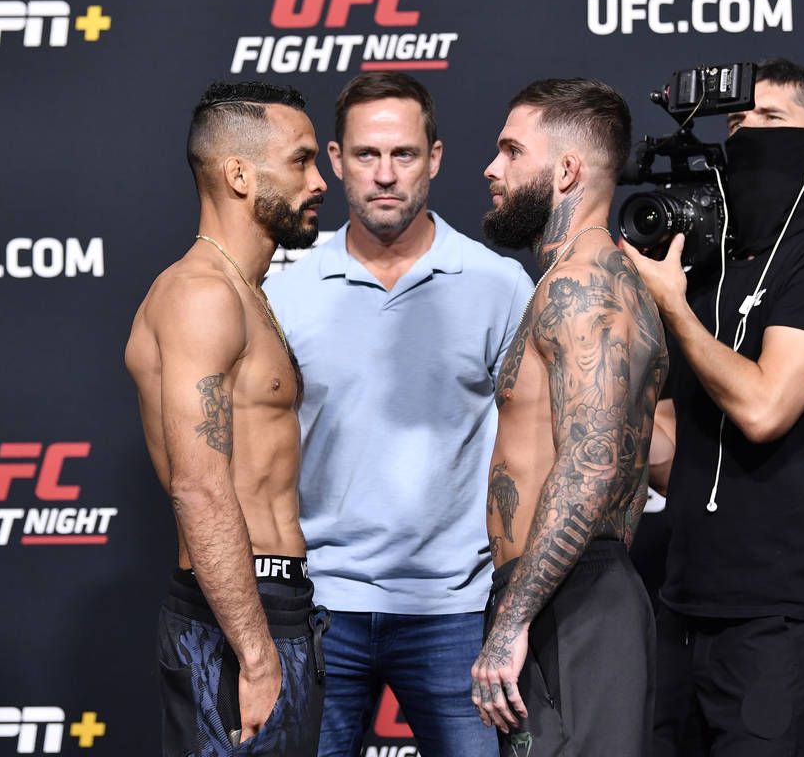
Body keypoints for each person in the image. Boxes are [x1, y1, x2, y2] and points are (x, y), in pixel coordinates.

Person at [263, 71, 533, 757]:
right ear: (335, 160)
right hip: (321, 605)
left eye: (404, 154)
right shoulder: (286, 294)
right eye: (366, 155)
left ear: (435, 159)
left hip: (456, 610)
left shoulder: (498, 285)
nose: (385, 175)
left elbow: (534, 451)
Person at [621, 58, 804, 756]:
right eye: (737, 121)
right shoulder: (706, 273)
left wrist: (673, 310)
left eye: (771, 120)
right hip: (685, 601)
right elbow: (680, 456)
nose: (747, 134)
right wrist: (605, 374)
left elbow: (765, 408)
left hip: (785, 615)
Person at [124, 80, 330, 757]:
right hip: (239, 622)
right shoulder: (201, 295)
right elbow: (200, 486)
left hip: (273, 611)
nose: (320, 180)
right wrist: (255, 653)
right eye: (301, 160)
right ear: (237, 174)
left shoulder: (244, 293)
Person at [472, 78, 668, 757]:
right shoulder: (574, 284)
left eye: (510, 151)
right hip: (556, 593)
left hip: (572, 599)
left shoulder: (588, 288)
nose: (491, 170)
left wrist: (513, 618)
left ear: (566, 171)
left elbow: (590, 465)